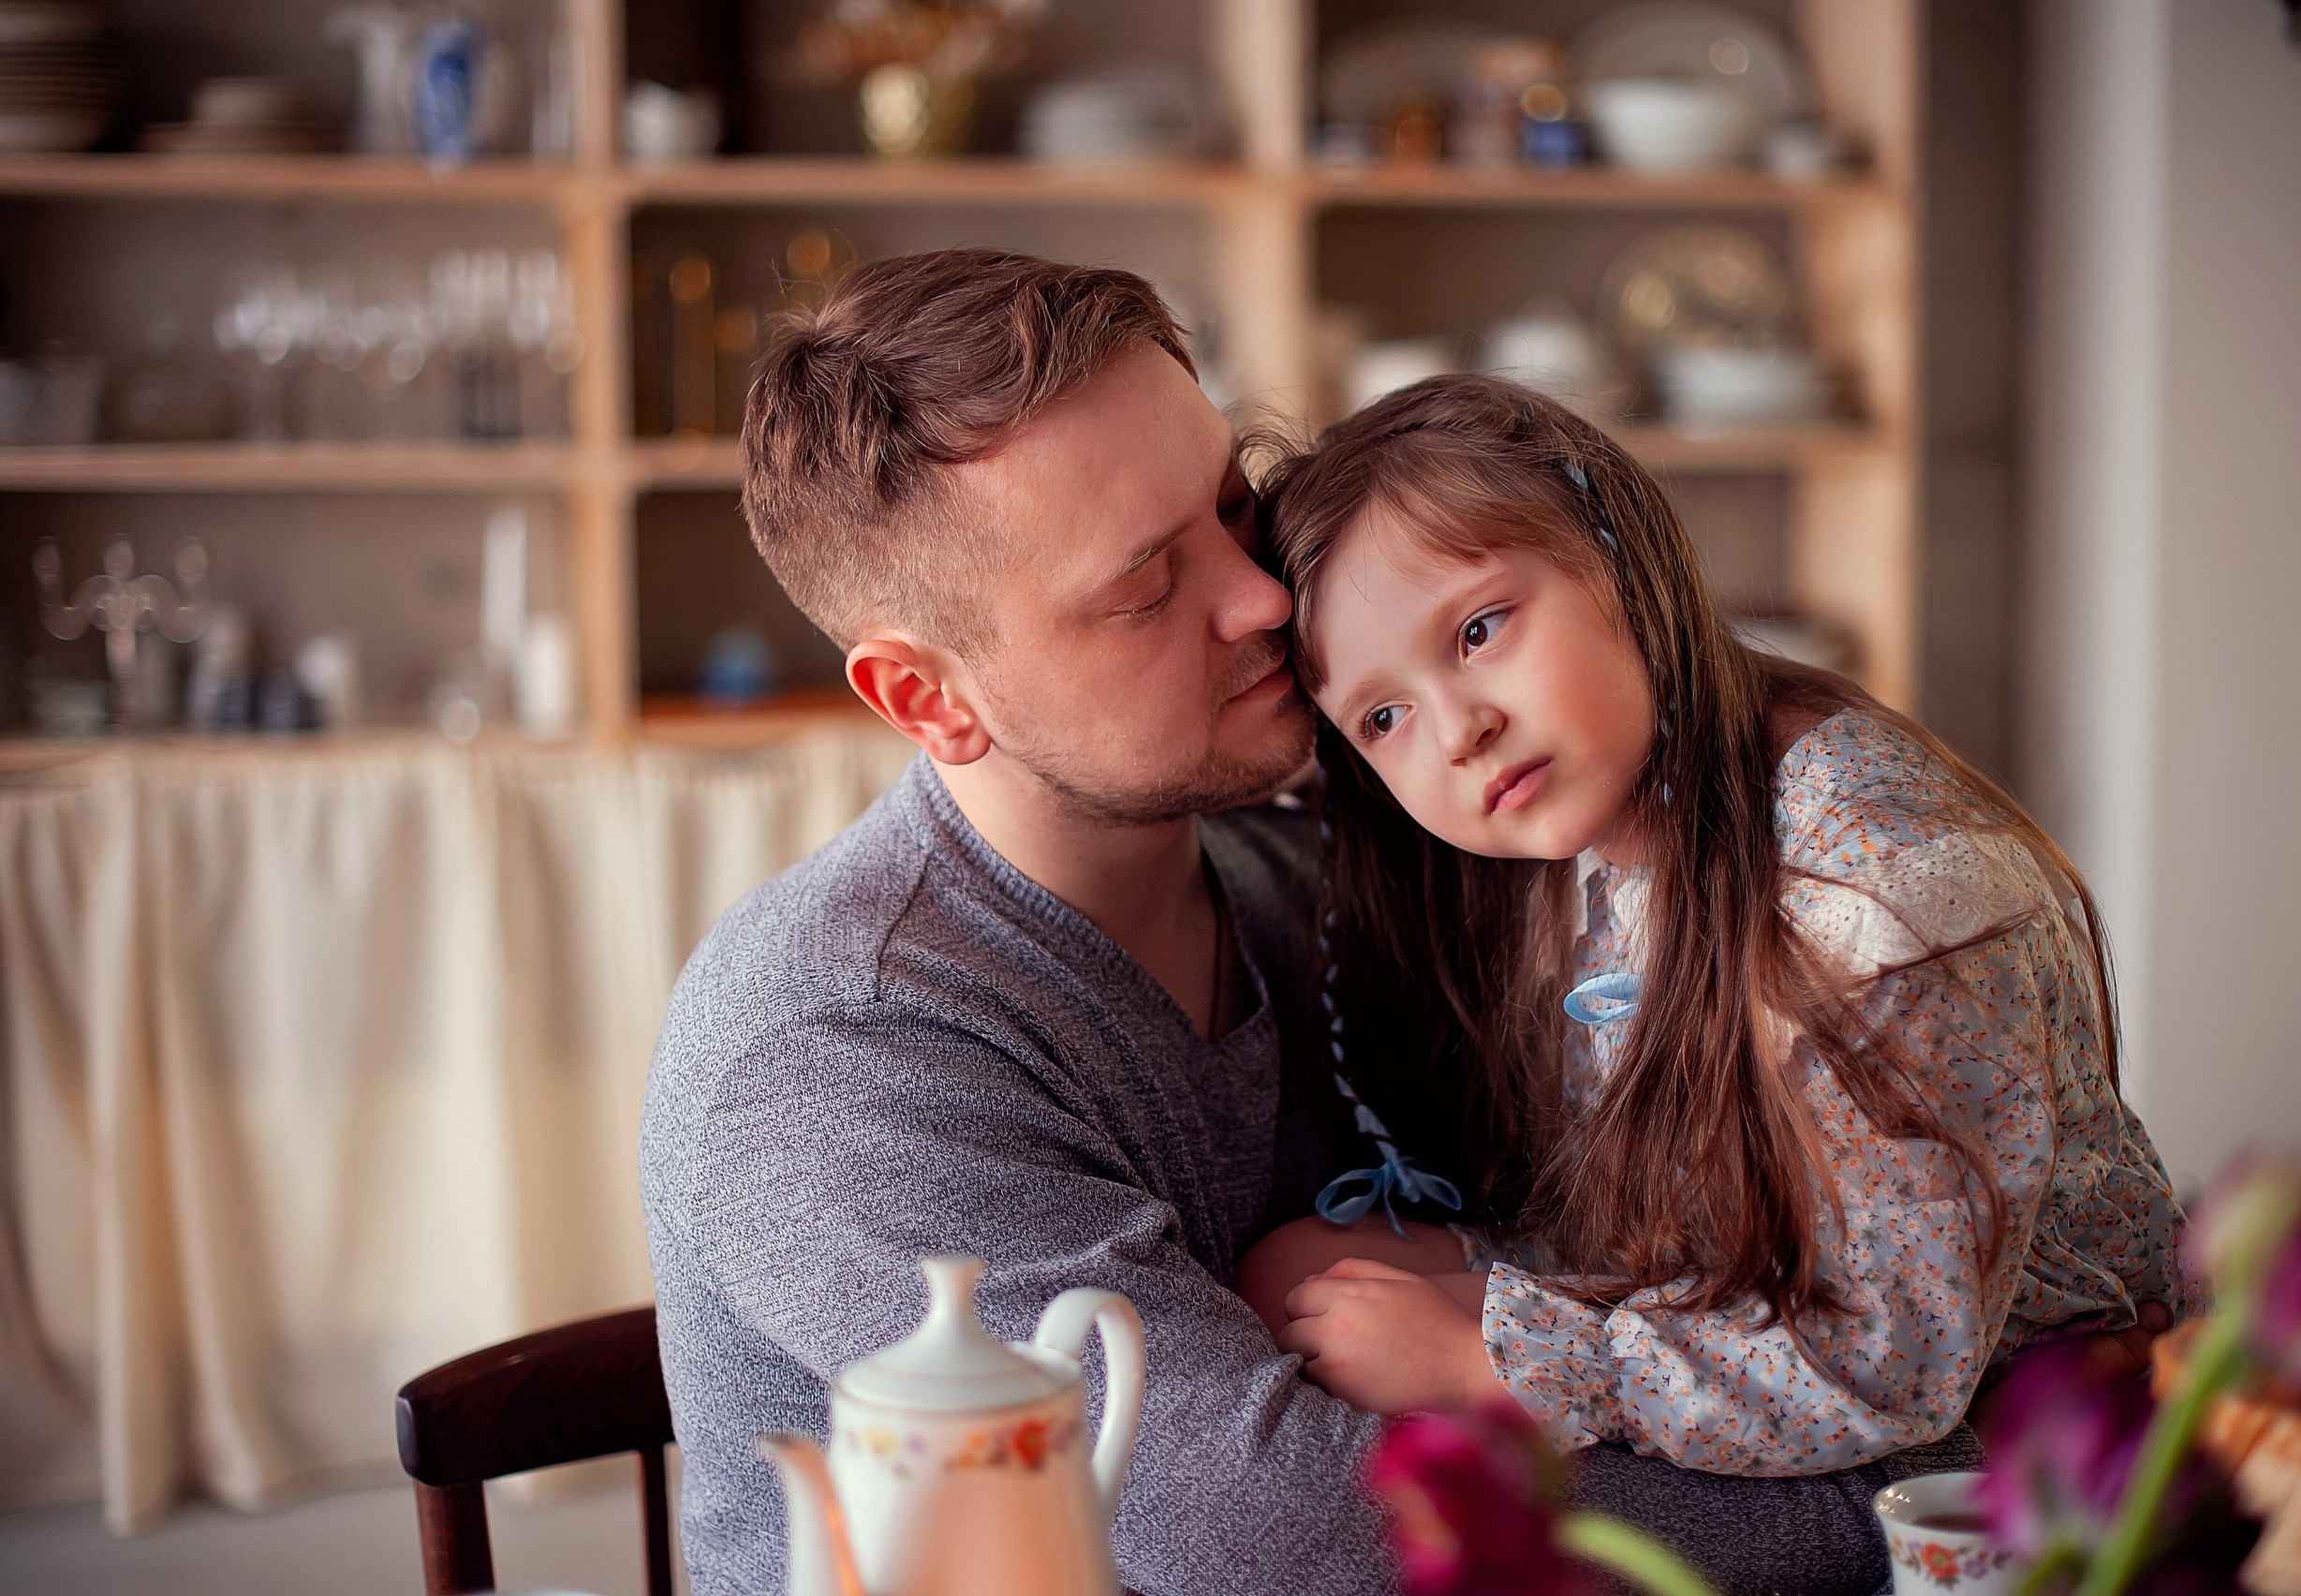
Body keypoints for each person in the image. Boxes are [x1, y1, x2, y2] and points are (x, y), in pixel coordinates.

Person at [1238, 376, 2189, 1488]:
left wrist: (1494, 1364)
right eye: (1382, 716)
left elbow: (1884, 1360)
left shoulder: (1872, 892)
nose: (1457, 731)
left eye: (1479, 630)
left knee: (1392, 1346)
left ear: (1617, 556)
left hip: (1992, 1374)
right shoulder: (1583, 828)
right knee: (1298, 1280)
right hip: (1720, 1272)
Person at [638, 249, 1390, 1596]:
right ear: (928, 700)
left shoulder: (1316, 862)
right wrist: (1818, 1476)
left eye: (1234, 505)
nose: (1262, 596)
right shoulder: (825, 1050)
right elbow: (1296, 1538)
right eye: (1146, 587)